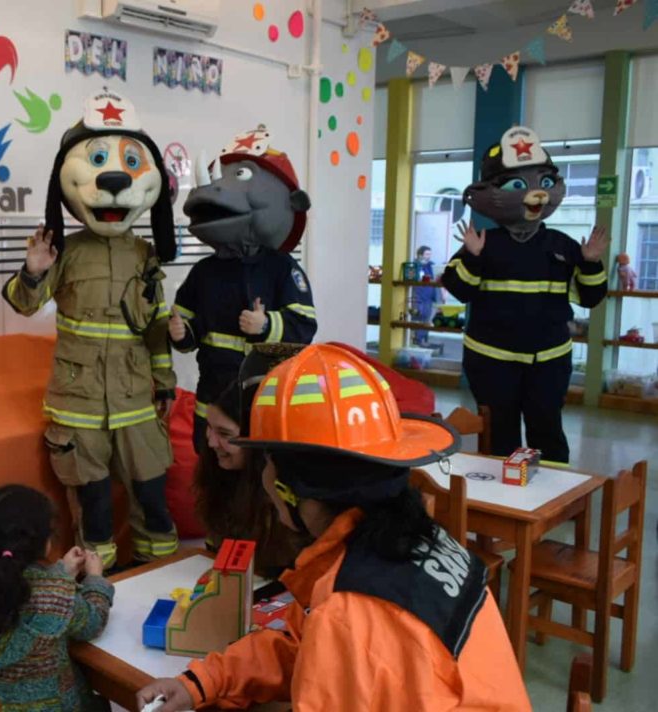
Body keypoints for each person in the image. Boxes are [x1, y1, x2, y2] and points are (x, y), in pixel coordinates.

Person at [137, 344, 531, 712]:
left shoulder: (346, 612)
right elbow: (298, 644)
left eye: (268, 463)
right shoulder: (416, 541)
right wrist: (201, 682)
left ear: (290, 491)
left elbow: (330, 644)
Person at [2, 89, 179, 569]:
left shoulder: (144, 255)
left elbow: (156, 323)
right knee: (95, 511)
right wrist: (35, 269)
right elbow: (24, 304)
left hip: (136, 401)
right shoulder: (65, 250)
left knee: (154, 504)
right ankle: (100, 591)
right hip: (78, 405)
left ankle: (158, 576)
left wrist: (164, 381)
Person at [442, 126, 609, 464]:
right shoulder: (484, 243)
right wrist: (472, 256)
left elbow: (590, 298)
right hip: (491, 361)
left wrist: (590, 263)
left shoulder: (562, 245)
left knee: (546, 428)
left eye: (544, 183)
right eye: (518, 185)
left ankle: (551, 496)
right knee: (498, 432)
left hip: (548, 361)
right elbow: (458, 289)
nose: (536, 195)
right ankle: (500, 500)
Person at [169, 126, 317, 452]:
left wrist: (267, 326)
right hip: (212, 402)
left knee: (258, 480)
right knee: (210, 473)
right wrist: (181, 334)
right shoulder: (204, 272)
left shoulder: (282, 268)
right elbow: (190, 333)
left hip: (262, 401)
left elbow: (304, 326)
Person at [0, 484, 114, 711]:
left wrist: (61, 572)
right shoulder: (51, 594)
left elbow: (28, 588)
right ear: (42, 543)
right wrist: (95, 579)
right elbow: (93, 623)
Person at [195, 367, 307, 579]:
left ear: (259, 440)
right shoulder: (219, 474)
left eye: (224, 434)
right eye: (209, 427)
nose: (210, 442)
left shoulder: (290, 497)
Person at [413, 245, 438, 346]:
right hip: (419, 296)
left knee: (427, 319)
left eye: (430, 254)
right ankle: (417, 340)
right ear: (420, 255)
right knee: (419, 317)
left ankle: (422, 340)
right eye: (427, 254)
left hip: (429, 297)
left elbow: (434, 279)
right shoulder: (415, 266)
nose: (429, 256)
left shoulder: (430, 266)